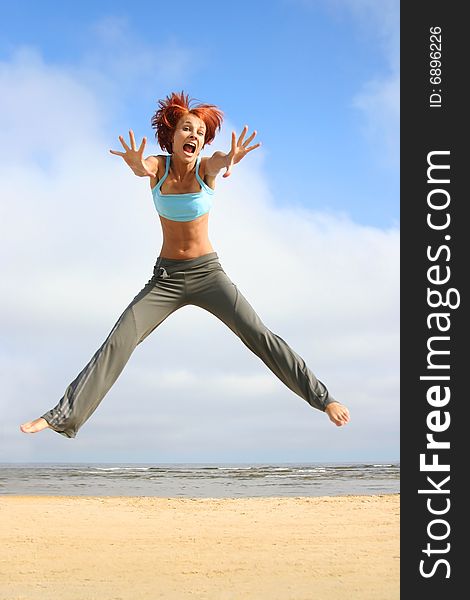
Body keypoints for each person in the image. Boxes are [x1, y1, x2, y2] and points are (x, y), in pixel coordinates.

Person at [20, 91, 349, 438]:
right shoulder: (158, 168)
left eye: (201, 134)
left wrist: (230, 157)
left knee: (258, 334)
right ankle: (62, 415)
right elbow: (141, 167)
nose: (194, 136)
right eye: (187, 129)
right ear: (172, 134)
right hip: (166, 279)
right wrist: (133, 162)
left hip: (208, 274)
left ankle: (323, 399)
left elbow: (220, 161)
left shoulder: (205, 169)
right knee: (120, 340)